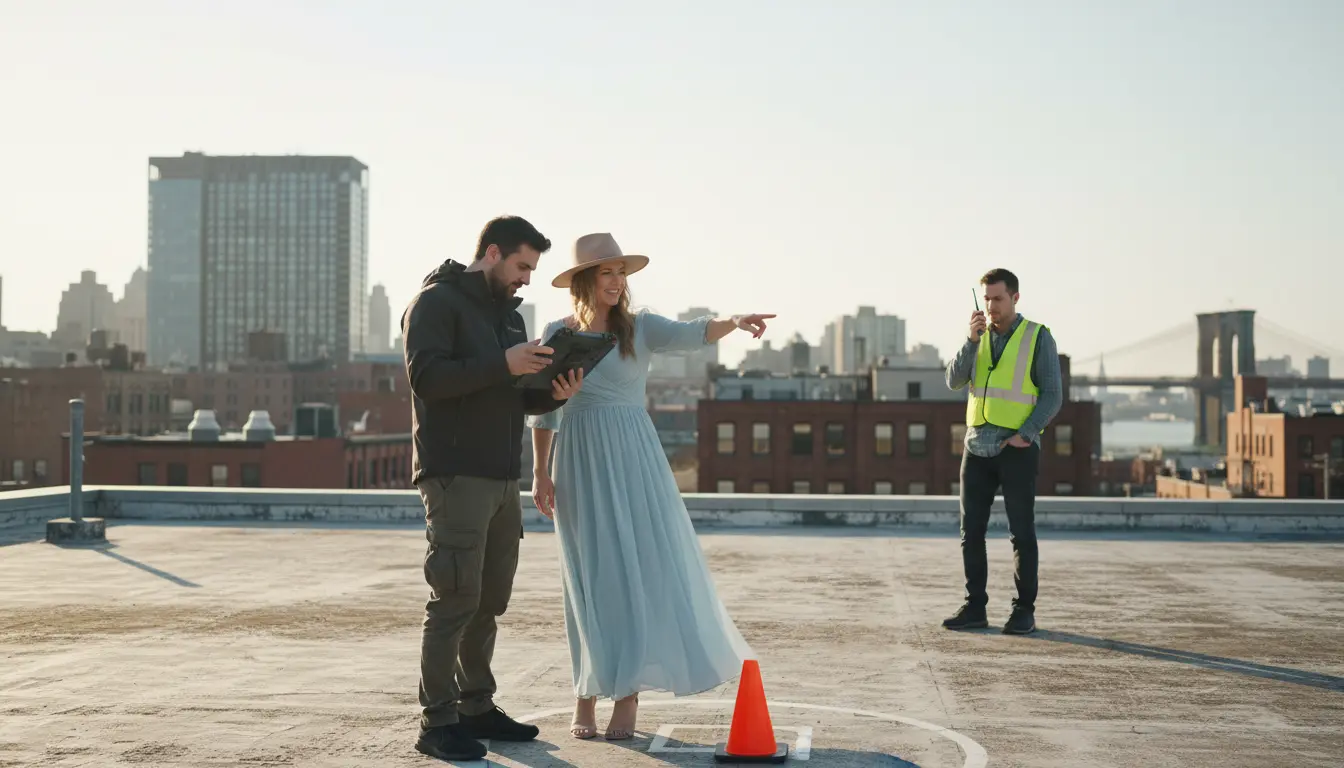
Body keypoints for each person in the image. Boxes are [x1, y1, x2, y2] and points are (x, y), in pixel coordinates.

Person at [528, 233, 774, 741]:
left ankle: (627, 694)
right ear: (584, 281)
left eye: (622, 273)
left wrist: (736, 321)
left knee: (629, 572)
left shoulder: (639, 329)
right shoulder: (557, 331)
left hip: (633, 458)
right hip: (578, 458)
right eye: (607, 273)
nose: (618, 282)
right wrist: (540, 472)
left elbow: (694, 332)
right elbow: (543, 408)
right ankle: (585, 690)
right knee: (584, 578)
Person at [402, 215, 586, 762]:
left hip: (502, 478)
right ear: (491, 252)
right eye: (522, 266)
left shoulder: (508, 317)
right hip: (456, 473)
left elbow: (515, 397)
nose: (527, 278)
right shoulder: (435, 303)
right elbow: (428, 380)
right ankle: (437, 724)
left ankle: (476, 706)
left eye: (532, 269)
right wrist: (502, 363)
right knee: (454, 599)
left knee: (488, 601)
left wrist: (557, 391)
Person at [943, 268, 1062, 636]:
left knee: (1021, 532)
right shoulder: (977, 338)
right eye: (987, 299)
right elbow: (953, 380)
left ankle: (1024, 610)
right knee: (971, 532)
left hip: (1016, 447)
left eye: (998, 298)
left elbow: (1052, 395)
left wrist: (1026, 434)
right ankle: (974, 608)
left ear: (1014, 298)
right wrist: (969, 340)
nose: (991, 306)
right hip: (976, 447)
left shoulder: (1037, 337)